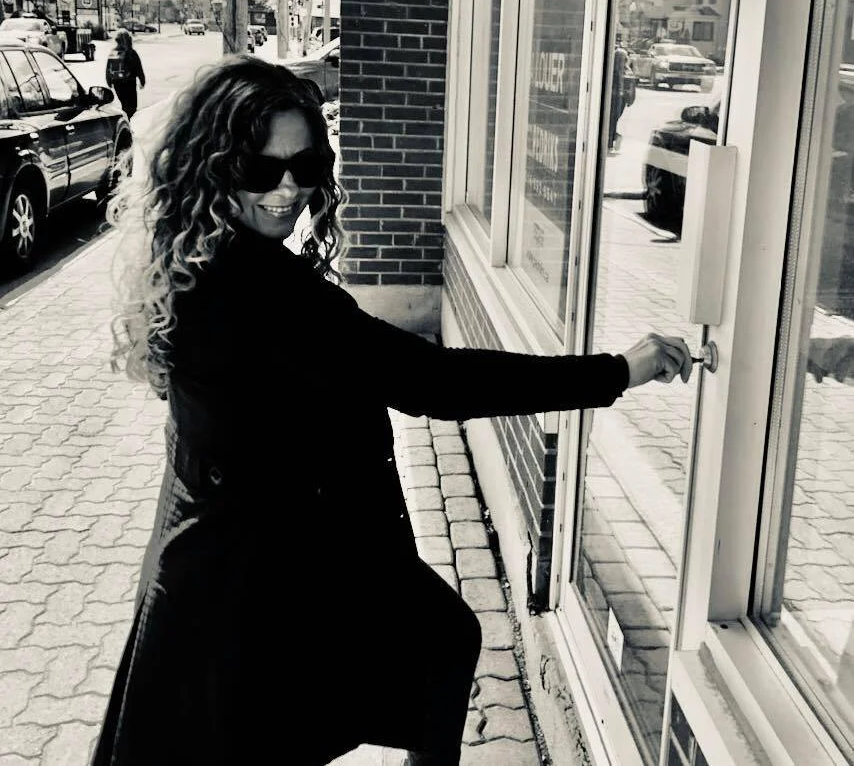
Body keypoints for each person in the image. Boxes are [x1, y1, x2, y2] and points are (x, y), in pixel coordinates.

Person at [91, 55, 692, 766]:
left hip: (231, 548)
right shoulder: (266, 294)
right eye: (260, 169)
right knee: (423, 651)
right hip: (255, 573)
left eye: (307, 162)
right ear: (214, 168)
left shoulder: (198, 257)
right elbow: (432, 381)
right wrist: (620, 369)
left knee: (417, 654)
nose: (288, 189)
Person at [105, 27, 146, 119]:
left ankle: (126, 120)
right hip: (129, 82)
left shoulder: (113, 52)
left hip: (117, 82)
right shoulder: (131, 53)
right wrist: (142, 81)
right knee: (132, 106)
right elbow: (139, 68)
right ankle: (128, 123)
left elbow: (108, 68)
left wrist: (109, 81)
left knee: (124, 104)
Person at [608, 34, 632, 151]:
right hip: (616, 96)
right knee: (612, 119)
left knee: (613, 119)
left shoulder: (623, 70)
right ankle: (612, 139)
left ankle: (612, 139)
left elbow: (630, 86)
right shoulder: (620, 69)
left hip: (618, 97)